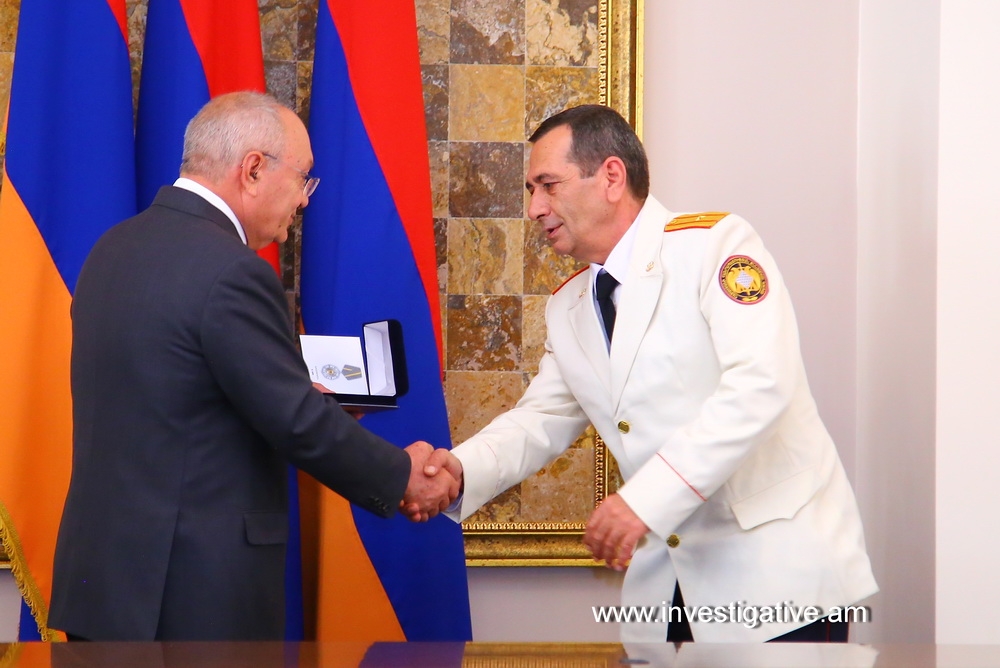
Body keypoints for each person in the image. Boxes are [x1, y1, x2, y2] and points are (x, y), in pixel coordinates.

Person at [418, 104, 877, 642]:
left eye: (548, 185)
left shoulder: (715, 246)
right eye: (531, 190)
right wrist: (458, 471)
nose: (535, 208)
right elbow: (540, 418)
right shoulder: (569, 306)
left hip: (777, 578)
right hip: (668, 590)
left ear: (611, 177)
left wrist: (645, 499)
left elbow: (761, 386)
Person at [48, 91, 458, 641]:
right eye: (304, 177)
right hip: (190, 597)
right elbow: (295, 421)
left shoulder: (111, 250)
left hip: (101, 588)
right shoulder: (233, 271)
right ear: (254, 169)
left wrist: (302, 397)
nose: (306, 199)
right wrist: (402, 475)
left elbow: (179, 398)